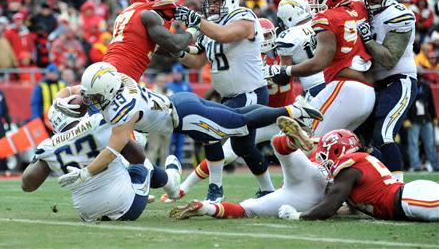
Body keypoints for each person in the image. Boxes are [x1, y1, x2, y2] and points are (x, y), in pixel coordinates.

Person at [54, 62, 322, 192]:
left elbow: (113, 150)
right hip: (180, 103)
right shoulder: (116, 81)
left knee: (239, 123)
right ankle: (291, 111)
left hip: (183, 116)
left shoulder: (123, 110)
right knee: (237, 114)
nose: (90, 101)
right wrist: (62, 95)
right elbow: (82, 89)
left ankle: (294, 111)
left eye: (95, 97)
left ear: (108, 91)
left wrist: (86, 174)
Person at [173, 0, 320, 201]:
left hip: (249, 91)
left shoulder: (244, 17)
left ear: (231, 1)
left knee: (209, 130)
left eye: (217, 2)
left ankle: (215, 190)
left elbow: (224, 35)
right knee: (244, 148)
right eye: (210, 2)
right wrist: (175, 50)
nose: (212, 7)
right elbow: (197, 61)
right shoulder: (212, 27)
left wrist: (197, 21)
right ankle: (268, 190)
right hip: (230, 94)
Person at [21, 105, 182, 222]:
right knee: (144, 164)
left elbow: (27, 185)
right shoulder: (98, 122)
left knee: (118, 161)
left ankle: (128, 187)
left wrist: (41, 158)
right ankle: (172, 183)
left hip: (87, 213)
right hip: (126, 206)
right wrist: (128, 137)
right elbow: (138, 158)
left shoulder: (48, 146)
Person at [265, 0, 375, 136]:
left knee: (304, 142)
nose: (314, 3)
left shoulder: (325, 18)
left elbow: (319, 62)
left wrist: (285, 71)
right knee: (344, 148)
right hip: (368, 90)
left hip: (343, 87)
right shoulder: (358, 8)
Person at [169, 117, 328, 220]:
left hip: (305, 175)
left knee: (279, 147)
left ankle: (290, 143)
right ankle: (206, 208)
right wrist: (298, 215)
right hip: (314, 188)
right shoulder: (350, 163)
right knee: (247, 208)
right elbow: (339, 203)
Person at [277, 128, 439, 222]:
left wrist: (297, 215)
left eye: (326, 154)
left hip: (409, 200)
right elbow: (341, 205)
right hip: (409, 197)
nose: (325, 160)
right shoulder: (356, 164)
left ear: (337, 150)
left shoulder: (350, 165)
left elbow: (328, 208)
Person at [359, 0, 417, 181]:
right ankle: (370, 186)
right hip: (375, 84)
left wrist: (367, 39)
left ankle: (397, 189)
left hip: (399, 81)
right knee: (359, 139)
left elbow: (389, 58)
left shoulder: (400, 15)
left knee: (383, 133)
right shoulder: (367, 12)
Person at [102, 0, 197, 82]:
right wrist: (194, 28)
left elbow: (163, 47)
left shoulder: (125, 15)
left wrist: (192, 50)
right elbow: (175, 44)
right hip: (122, 74)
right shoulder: (146, 15)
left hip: (107, 68)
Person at [263, 0, 325, 103]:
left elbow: (284, 78)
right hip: (336, 79)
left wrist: (271, 71)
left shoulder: (287, 37)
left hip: (315, 88)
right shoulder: (322, 21)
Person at [405, 76, 439, 171]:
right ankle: (416, 166)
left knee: (430, 144)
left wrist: (434, 117)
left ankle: (436, 165)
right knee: (413, 144)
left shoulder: (426, 86)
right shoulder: (409, 86)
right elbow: (406, 103)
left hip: (426, 119)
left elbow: (431, 103)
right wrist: (406, 119)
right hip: (413, 120)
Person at [166, 64, 192, 163]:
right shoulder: (168, 86)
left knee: (180, 143)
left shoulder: (187, 86)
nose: (176, 75)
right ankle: (168, 163)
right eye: (174, 73)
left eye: (178, 73)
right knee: (170, 142)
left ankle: (179, 164)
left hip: (182, 119)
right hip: (170, 119)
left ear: (181, 74)